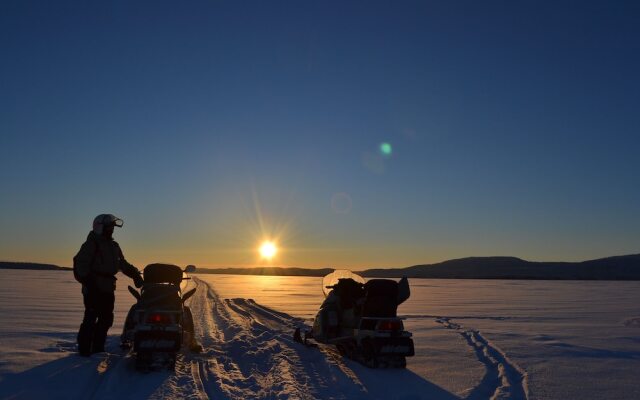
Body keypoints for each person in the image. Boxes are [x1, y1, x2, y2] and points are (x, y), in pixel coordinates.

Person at [74, 214, 143, 356]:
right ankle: (84, 349)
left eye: (112, 227)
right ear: (100, 227)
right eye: (109, 227)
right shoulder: (91, 244)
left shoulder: (114, 246)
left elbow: (122, 263)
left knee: (106, 319)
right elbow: (80, 264)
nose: (112, 230)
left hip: (108, 288)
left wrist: (135, 274)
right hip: (93, 288)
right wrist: (89, 283)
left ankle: (98, 347)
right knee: (90, 318)